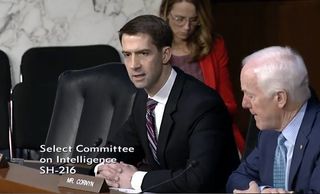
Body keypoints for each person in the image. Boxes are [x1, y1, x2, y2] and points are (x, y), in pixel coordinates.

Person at [95, 15, 239, 193]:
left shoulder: (203, 105)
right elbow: (120, 148)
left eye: (143, 54)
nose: (133, 65)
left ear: (165, 55)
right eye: (127, 55)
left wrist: (134, 178)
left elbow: (197, 178)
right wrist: (103, 169)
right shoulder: (143, 98)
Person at [226, 46, 320, 193]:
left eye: (251, 96)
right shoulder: (269, 131)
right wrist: (262, 190)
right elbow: (236, 178)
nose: (244, 104)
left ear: (280, 98)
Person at [159, 0, 245, 154]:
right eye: (179, 19)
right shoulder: (154, 48)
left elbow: (229, 103)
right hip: (167, 135)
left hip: (212, 129)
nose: (187, 27)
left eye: (194, 20)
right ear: (166, 14)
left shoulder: (215, 46)